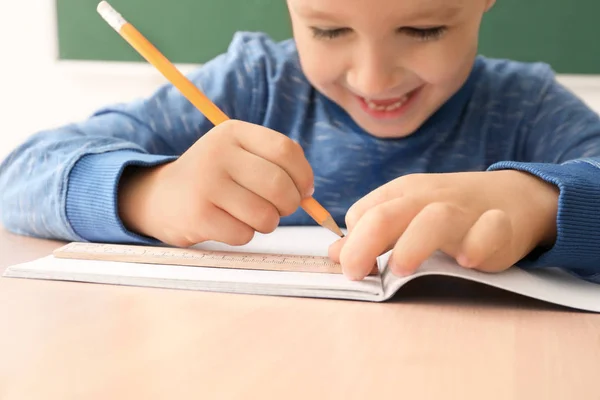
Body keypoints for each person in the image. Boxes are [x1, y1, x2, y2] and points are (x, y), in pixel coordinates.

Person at [1, 0, 599, 283]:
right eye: (329, 29)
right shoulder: (251, 83)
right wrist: (149, 193)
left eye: (423, 29)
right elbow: (18, 175)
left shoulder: (527, 106)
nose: (374, 79)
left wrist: (540, 205)